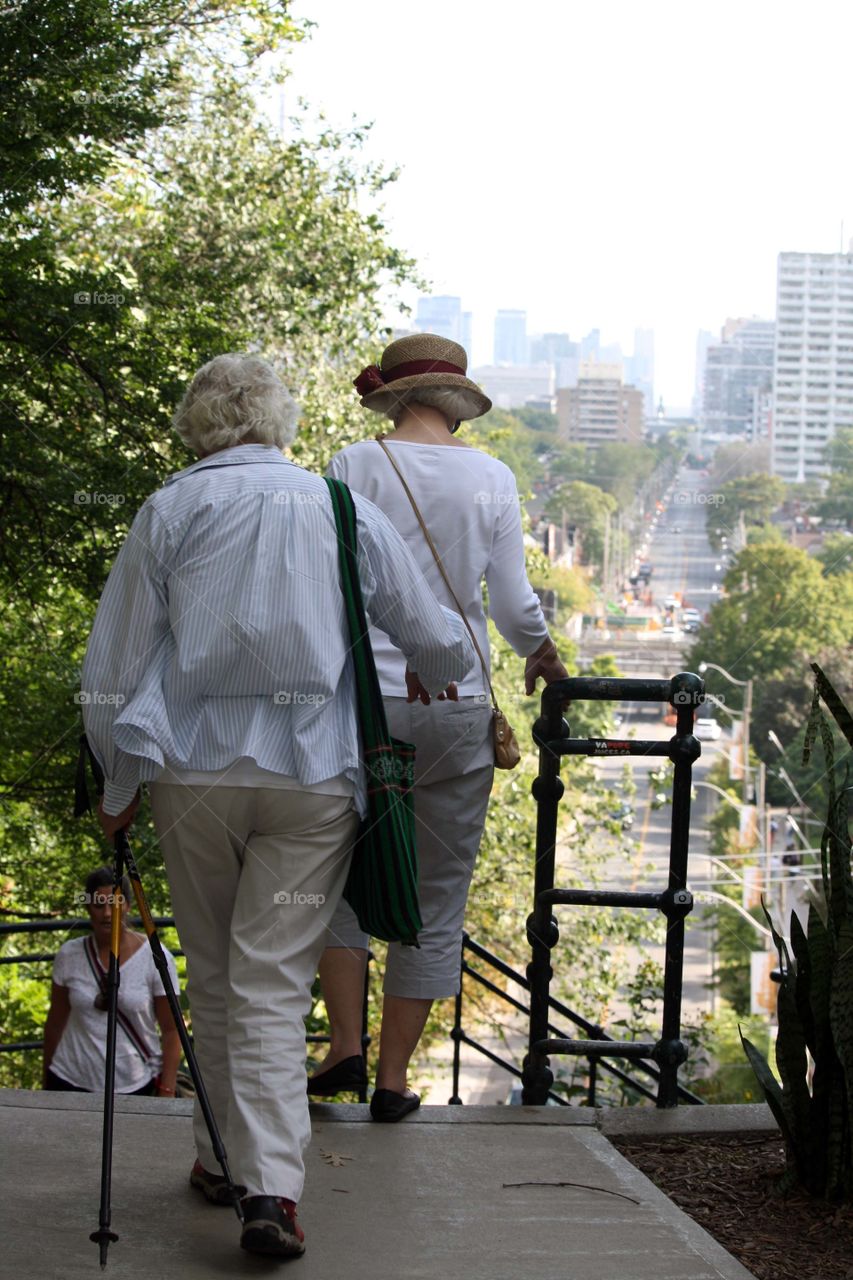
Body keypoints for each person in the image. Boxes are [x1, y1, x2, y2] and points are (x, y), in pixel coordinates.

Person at [79, 353, 474, 1259]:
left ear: (197, 425)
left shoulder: (171, 508)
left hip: (193, 777)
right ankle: (268, 1190)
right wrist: (439, 667)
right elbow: (438, 639)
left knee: (216, 975)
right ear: (282, 421)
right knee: (268, 984)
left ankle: (224, 1161)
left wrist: (117, 783)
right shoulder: (338, 508)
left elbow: (113, 667)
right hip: (312, 782)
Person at [310, 332, 568, 1121]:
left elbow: (324, 577)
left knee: (336, 879)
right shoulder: (490, 476)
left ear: (393, 394)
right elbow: (512, 601)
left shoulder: (353, 466)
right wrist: (544, 652)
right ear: (454, 400)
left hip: (359, 704)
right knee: (434, 895)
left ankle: (344, 1048)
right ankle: (392, 1083)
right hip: (451, 703)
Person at [42, 866, 180, 1097]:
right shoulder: (69, 955)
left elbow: (171, 1029)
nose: (107, 913)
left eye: (114, 904)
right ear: (88, 908)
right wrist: (46, 1081)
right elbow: (55, 1023)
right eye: (99, 905)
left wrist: (167, 1089)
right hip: (69, 1079)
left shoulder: (156, 957)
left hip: (134, 1084)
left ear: (127, 905)